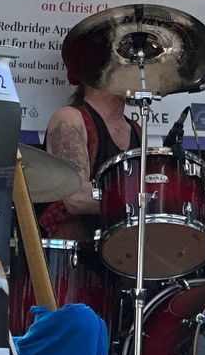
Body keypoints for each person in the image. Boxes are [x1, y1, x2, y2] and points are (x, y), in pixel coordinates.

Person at [40, 77, 137, 241]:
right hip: (73, 254)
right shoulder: (70, 118)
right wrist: (139, 202)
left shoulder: (136, 130)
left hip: (120, 250)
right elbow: (75, 196)